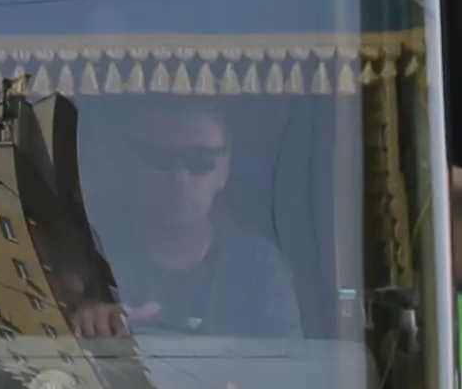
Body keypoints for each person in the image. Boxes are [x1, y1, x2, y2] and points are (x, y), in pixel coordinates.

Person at [72, 97, 306, 341]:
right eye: (159, 158)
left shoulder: (260, 269)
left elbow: (288, 367)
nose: (179, 178)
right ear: (130, 163)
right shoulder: (90, 260)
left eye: (200, 161)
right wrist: (88, 324)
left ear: (224, 169)